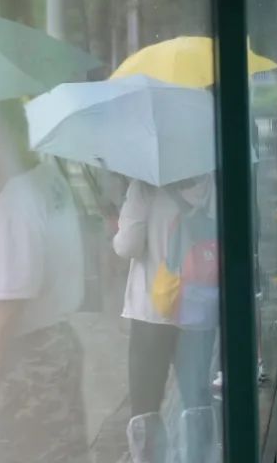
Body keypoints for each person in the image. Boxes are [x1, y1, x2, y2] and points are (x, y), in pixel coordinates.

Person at [0, 101, 89, 463]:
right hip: (48, 353)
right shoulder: (45, 181)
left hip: (20, 366)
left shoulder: (15, 203)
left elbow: (7, 306)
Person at [112, 175, 218, 463]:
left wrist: (118, 227)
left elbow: (127, 245)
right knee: (196, 399)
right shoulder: (211, 179)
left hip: (152, 310)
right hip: (198, 306)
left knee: (146, 404)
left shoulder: (144, 184)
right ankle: (199, 457)